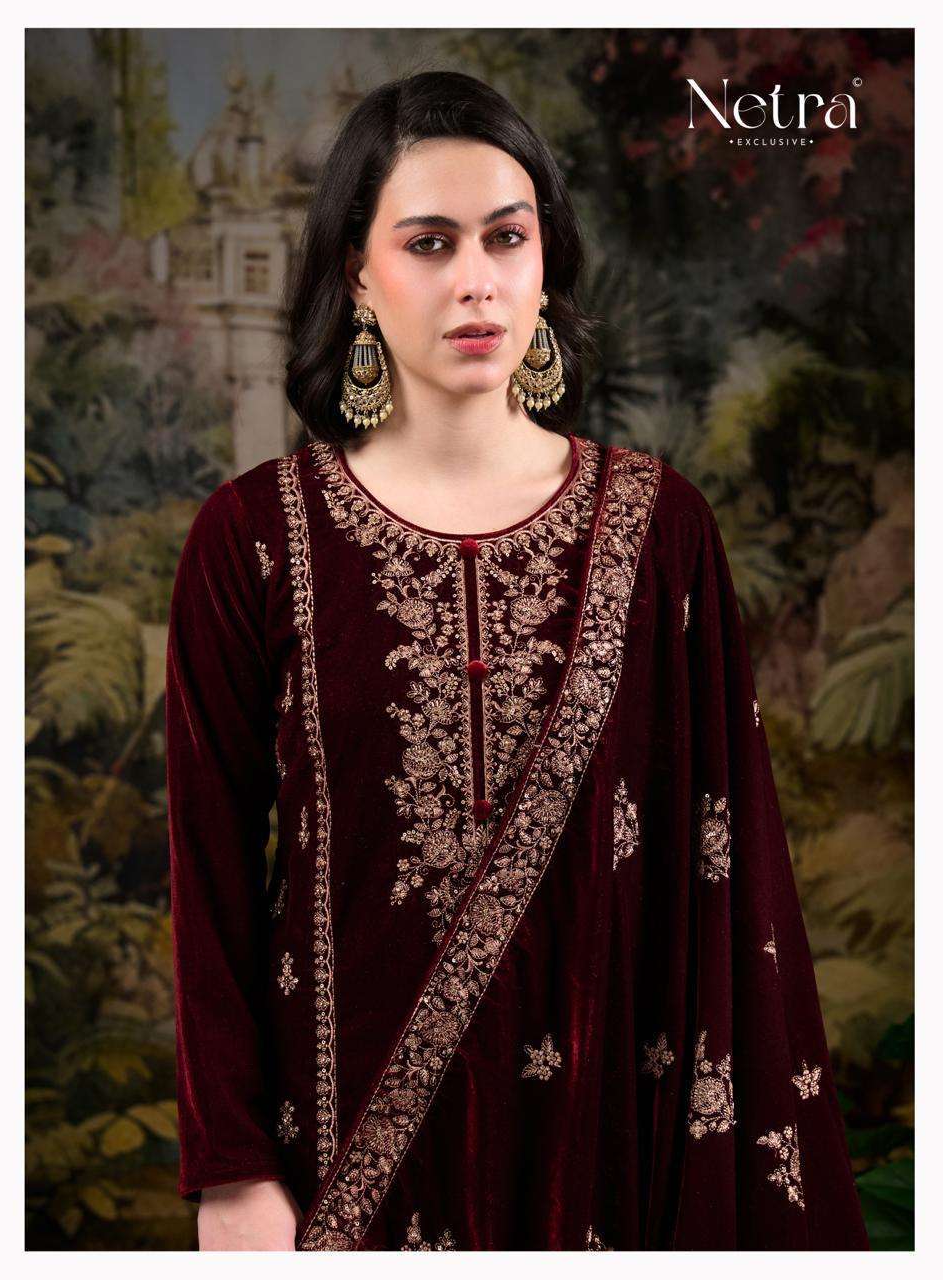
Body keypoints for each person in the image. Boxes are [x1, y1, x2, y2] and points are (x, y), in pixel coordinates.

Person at [165, 70, 870, 1251]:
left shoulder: (659, 529)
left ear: (546, 261)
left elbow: (725, 872)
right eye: (428, 243)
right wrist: (231, 1169)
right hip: (333, 1163)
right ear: (356, 272)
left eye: (506, 236)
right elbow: (211, 874)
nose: (475, 280)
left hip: (609, 1154)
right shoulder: (252, 540)